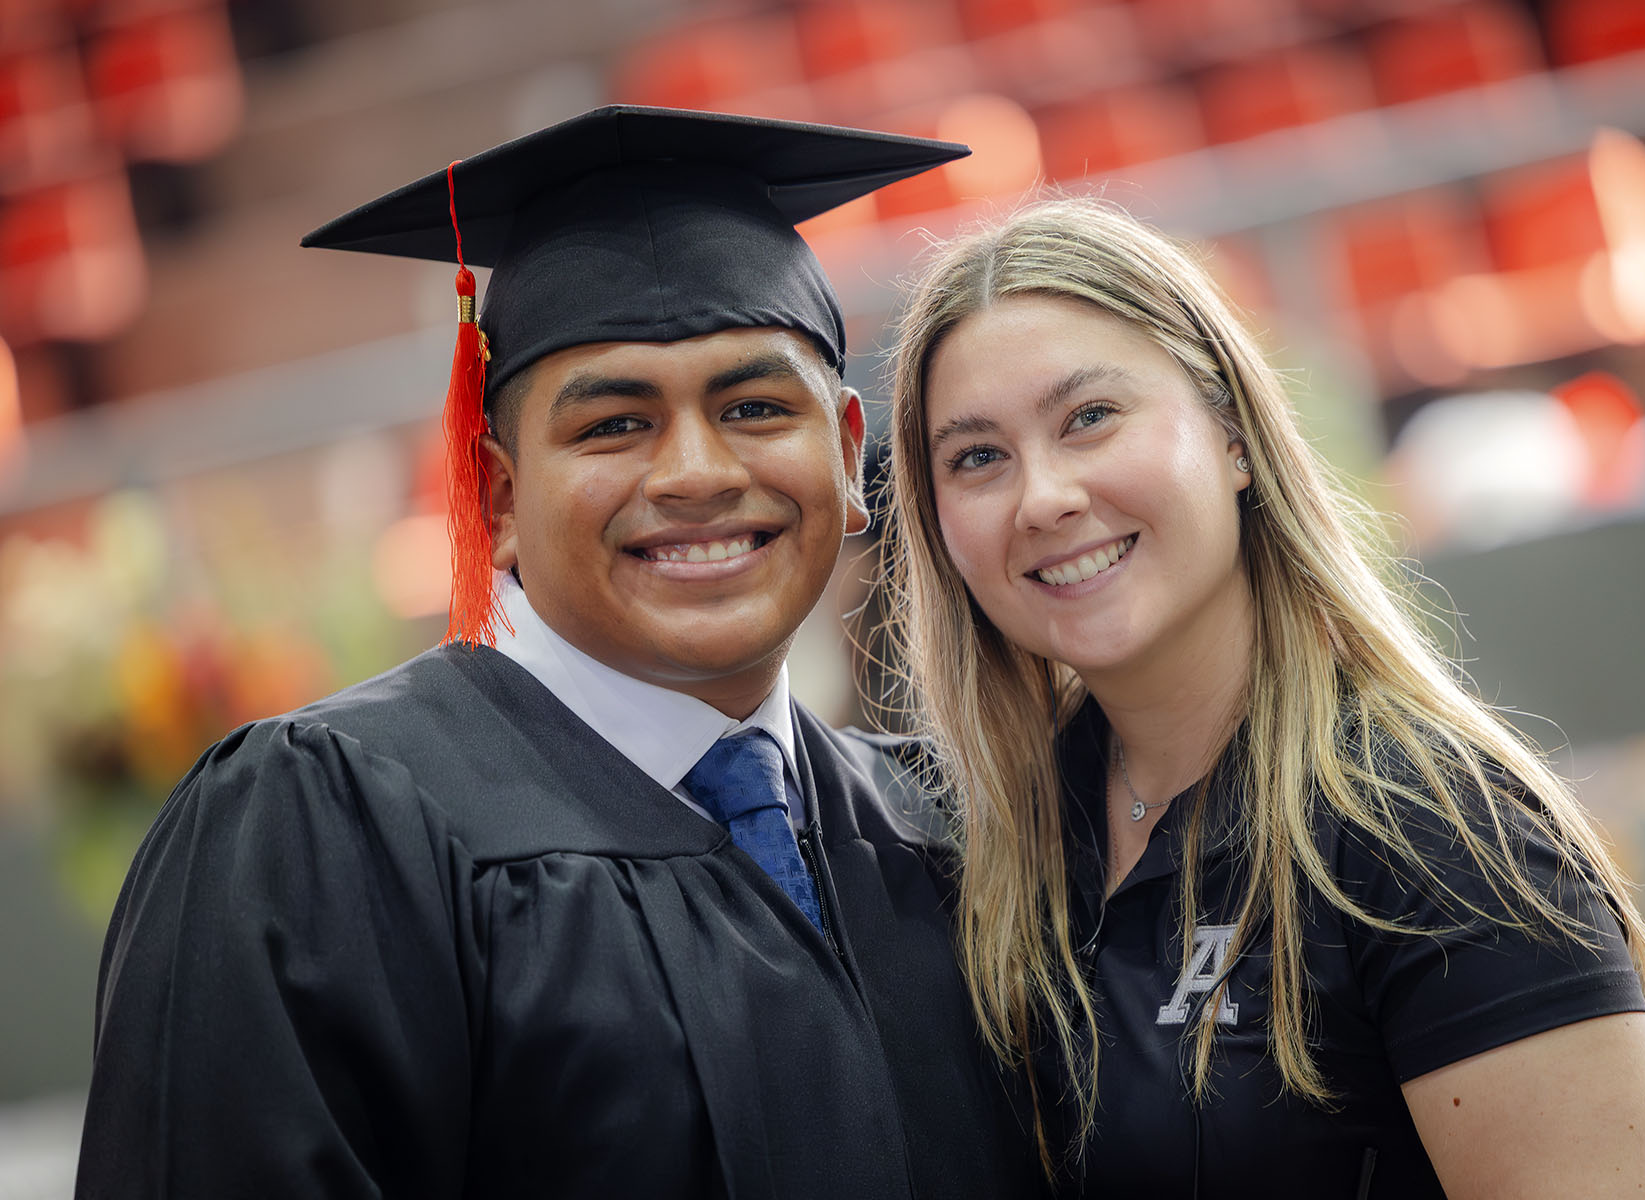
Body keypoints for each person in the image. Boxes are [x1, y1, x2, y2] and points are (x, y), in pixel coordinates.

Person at [75, 107, 1038, 1199]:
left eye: (757, 406)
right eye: (613, 426)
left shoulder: (946, 829)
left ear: (849, 451)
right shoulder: (324, 833)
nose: (695, 473)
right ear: (498, 496)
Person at [877, 197, 1645, 1197]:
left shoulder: (1434, 832)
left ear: (1230, 433)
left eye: (1090, 417)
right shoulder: (985, 850)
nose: (1042, 495)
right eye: (977, 458)